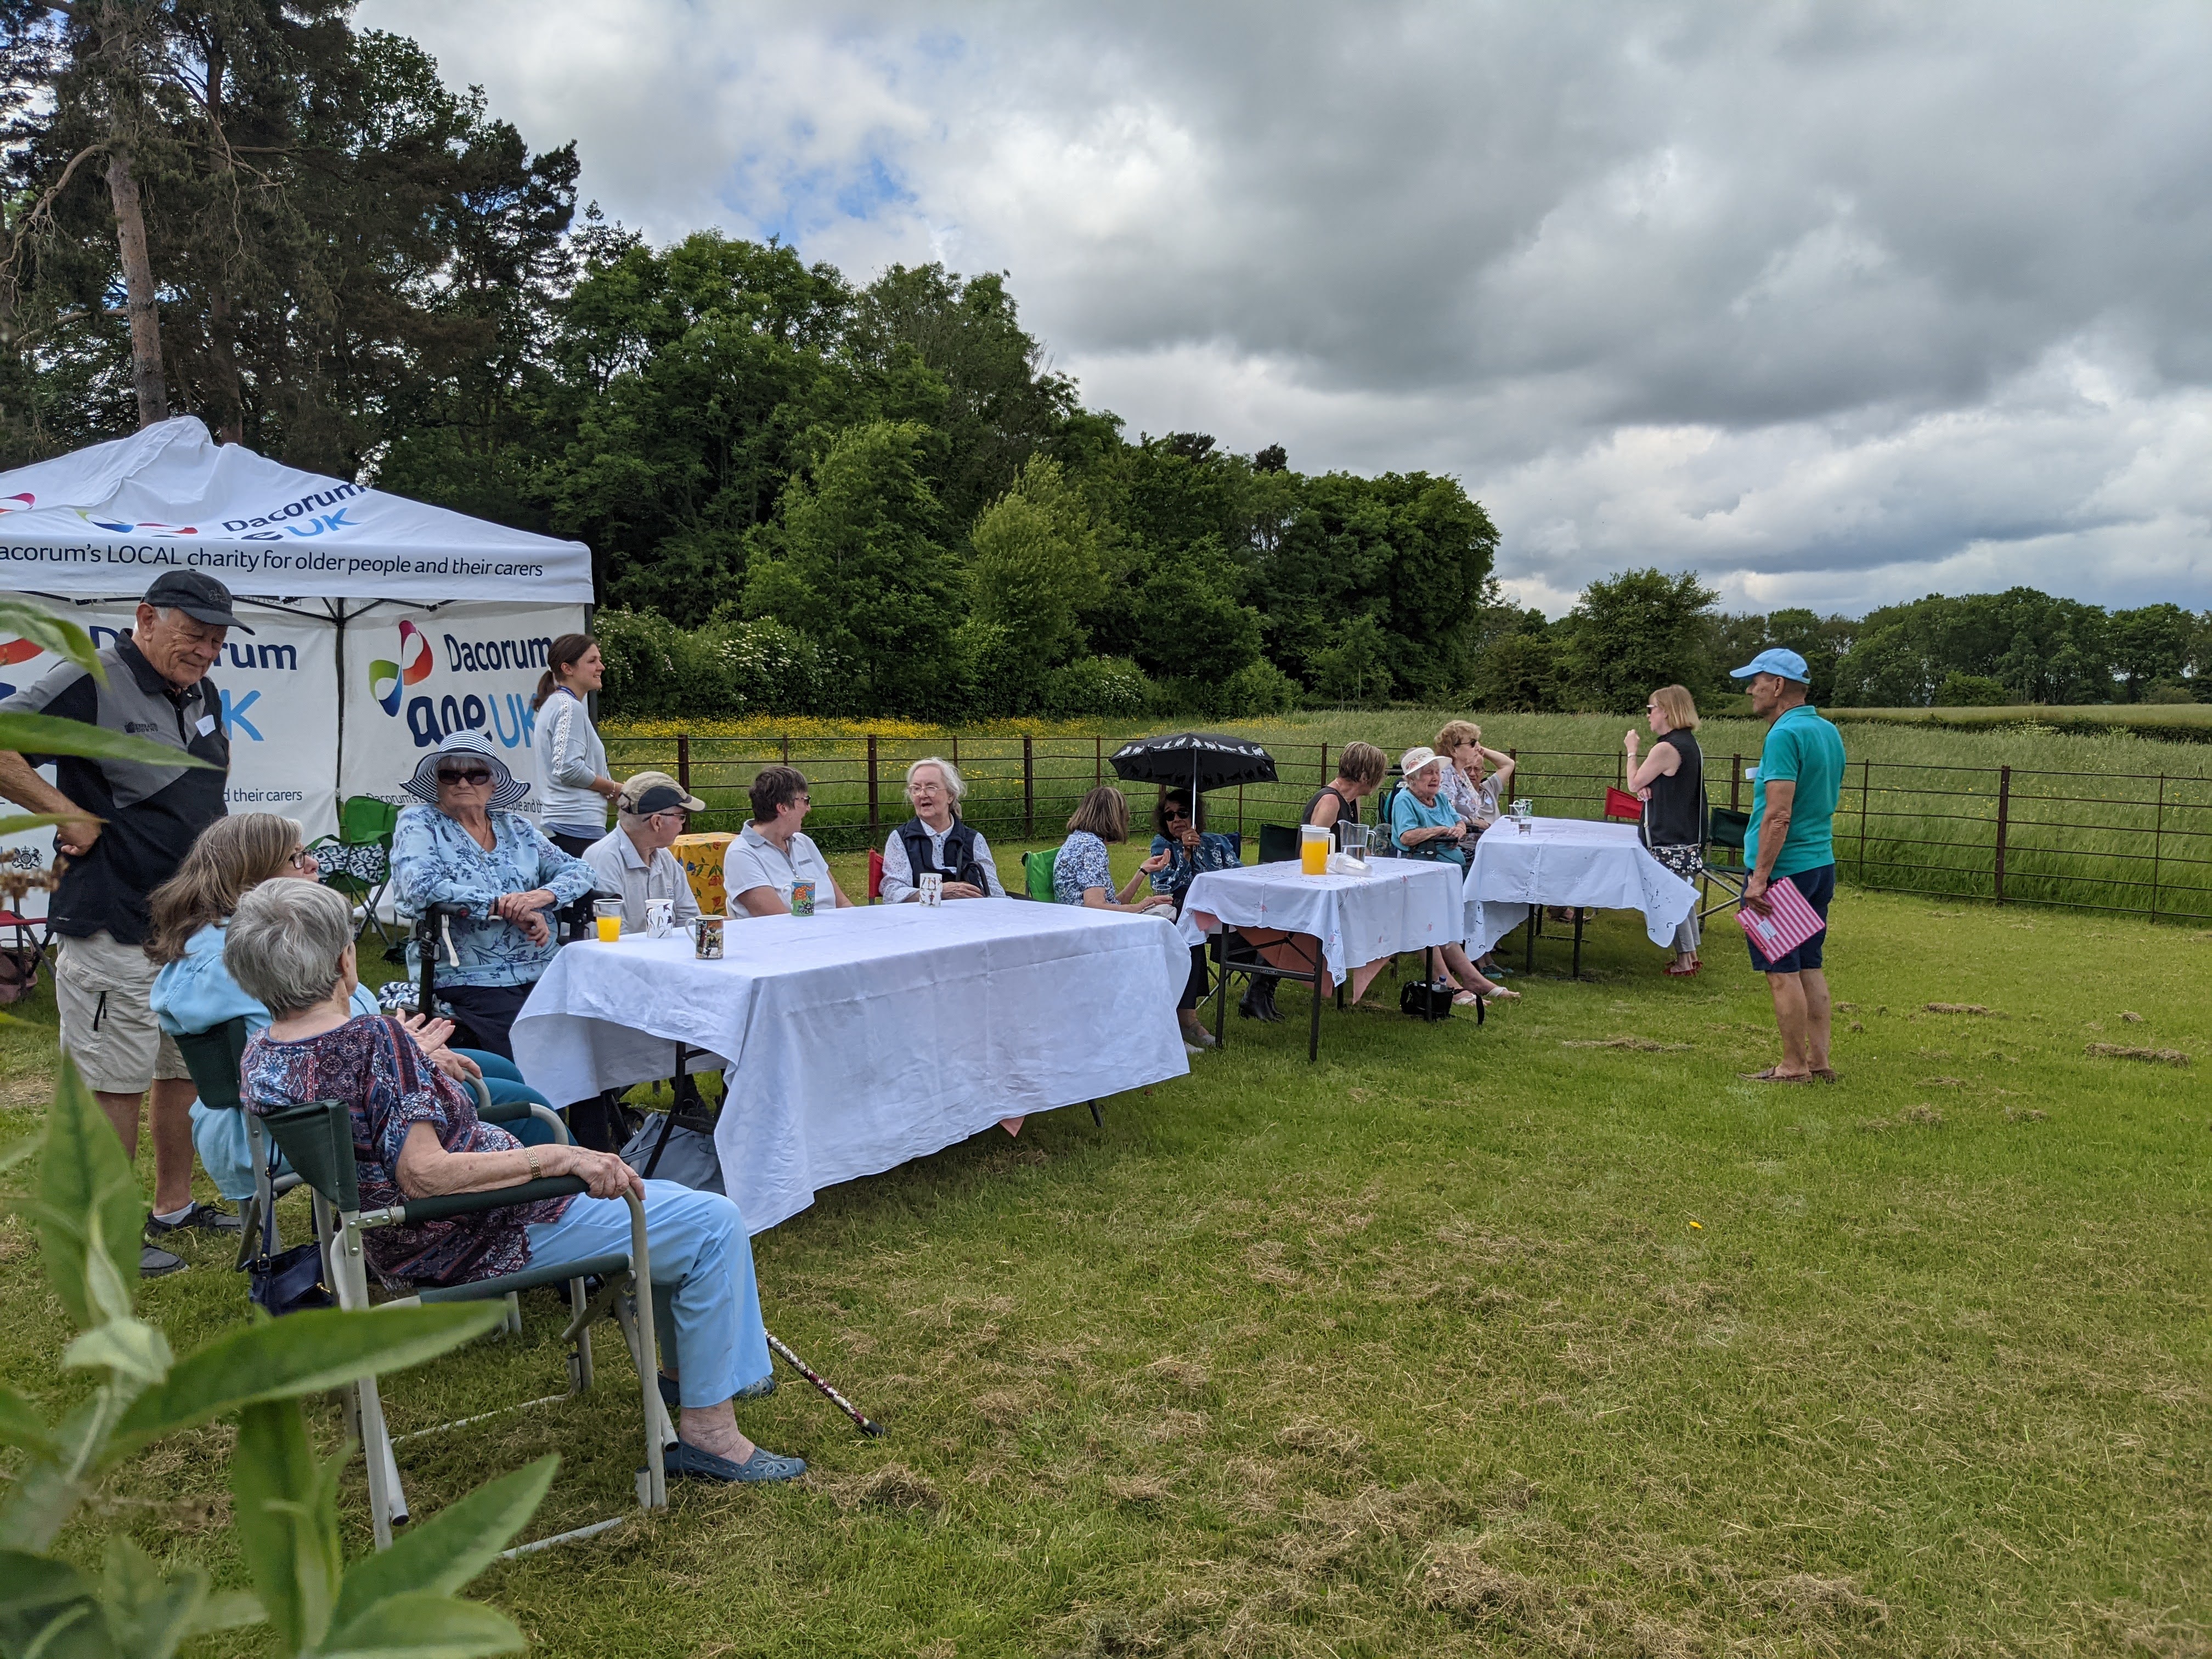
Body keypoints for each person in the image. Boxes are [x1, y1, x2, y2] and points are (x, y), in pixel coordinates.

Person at [229, 880, 802, 1483]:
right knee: (711, 1222)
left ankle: (690, 1373)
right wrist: (555, 1159)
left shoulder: (265, 1054)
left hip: (392, 1239)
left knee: (674, 1210)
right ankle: (712, 1434)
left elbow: (360, 1110)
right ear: (345, 959)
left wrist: (415, 1064)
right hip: (485, 1227)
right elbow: (423, 1174)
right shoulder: (376, 1040)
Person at [0, 571, 248, 1274]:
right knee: (115, 1082)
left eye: (217, 639)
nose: (206, 650)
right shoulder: (91, 678)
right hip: (114, 919)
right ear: (144, 617)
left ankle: (173, 1204)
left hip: (192, 927)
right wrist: (64, 811)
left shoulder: (203, 694)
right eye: (194, 634)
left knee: (184, 1068)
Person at [145, 814, 560, 1203]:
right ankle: (562, 1213)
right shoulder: (248, 953)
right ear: (250, 874)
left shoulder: (228, 940)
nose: (313, 862)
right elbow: (309, 1052)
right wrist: (406, 1054)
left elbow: (315, 1036)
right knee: (522, 1102)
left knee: (496, 1068)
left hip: (310, 1098)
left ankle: (507, 1202)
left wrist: (401, 1045)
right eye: (296, 856)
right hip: (307, 1119)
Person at [388, 729, 597, 1060]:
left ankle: (596, 1114)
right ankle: (528, 1110)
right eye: (450, 774)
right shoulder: (420, 823)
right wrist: (502, 905)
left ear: (493, 782)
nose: (462, 782)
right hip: (467, 974)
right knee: (535, 1049)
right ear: (437, 782)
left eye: (476, 773)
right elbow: (421, 886)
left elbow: (582, 871)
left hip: (541, 964)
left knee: (593, 1033)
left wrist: (539, 898)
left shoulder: (517, 828)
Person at [1731, 648, 1847, 1083]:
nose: (1750, 689)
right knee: (1809, 965)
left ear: (1777, 686)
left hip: (1785, 871)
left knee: (1782, 972)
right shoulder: (1827, 730)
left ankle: (1793, 1066)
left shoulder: (1783, 735)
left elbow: (1778, 815)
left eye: (1755, 680)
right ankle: (1819, 1061)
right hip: (1820, 864)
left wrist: (1759, 879)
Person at [1387, 748, 1517, 1004]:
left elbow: (1458, 820)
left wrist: (1457, 828)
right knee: (1428, 924)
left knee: (1443, 925)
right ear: (1412, 779)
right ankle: (1449, 984)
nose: (1435, 778)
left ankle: (1471, 979)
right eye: (1428, 773)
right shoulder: (1405, 799)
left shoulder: (1440, 799)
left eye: (1437, 772)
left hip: (1445, 873)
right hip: (1418, 873)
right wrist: (1439, 831)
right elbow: (1405, 836)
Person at [1625, 685, 1706, 976]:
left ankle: (1685, 960)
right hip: (1686, 833)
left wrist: (1632, 752)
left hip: (1669, 836)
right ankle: (1692, 954)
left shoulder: (1666, 748)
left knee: (1672, 896)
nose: (1648, 716)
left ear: (1667, 711)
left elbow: (1633, 783)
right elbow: (1658, 784)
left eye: (1651, 709)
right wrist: (1651, 787)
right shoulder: (1689, 743)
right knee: (1683, 893)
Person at [1148, 788, 1238, 1049]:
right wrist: (1186, 856)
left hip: (1221, 912)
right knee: (1191, 936)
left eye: (1183, 813)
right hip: (1179, 909)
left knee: (1262, 927)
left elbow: (1240, 877)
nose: (1176, 820)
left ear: (1195, 815)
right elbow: (1162, 886)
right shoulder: (1162, 845)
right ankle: (1188, 1020)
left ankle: (1258, 995)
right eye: (1169, 816)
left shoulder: (1217, 843)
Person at [583, 771, 704, 933]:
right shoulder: (604, 858)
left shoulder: (664, 856)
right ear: (657, 822)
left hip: (664, 954)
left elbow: (689, 920)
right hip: (625, 957)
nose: (683, 824)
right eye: (682, 816)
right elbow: (613, 938)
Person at [725, 765, 855, 915]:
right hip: (793, 936)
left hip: (834, 932)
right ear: (783, 808)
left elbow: (843, 903)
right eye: (806, 800)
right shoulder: (742, 854)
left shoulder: (803, 843)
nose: (808, 808)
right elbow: (779, 921)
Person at [532, 634, 619, 857]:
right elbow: (568, 768)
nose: (601, 666)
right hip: (577, 829)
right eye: (592, 661)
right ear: (567, 669)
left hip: (568, 827)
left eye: (599, 659)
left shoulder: (555, 704)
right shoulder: (570, 707)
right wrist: (614, 789)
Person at [880, 757, 1005, 901]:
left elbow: (995, 893)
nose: (922, 794)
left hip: (969, 920)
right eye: (916, 788)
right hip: (920, 921)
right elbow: (892, 893)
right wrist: (938, 892)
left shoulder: (973, 839)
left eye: (931, 788)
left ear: (950, 795)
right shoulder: (901, 839)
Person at [1053, 786, 1177, 915]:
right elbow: (1095, 907)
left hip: (1079, 920)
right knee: (1167, 912)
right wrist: (1142, 906)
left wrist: (1143, 871)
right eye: (1124, 816)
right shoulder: (1092, 847)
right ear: (1113, 817)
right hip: (1090, 927)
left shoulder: (1077, 840)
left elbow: (1113, 905)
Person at [1301, 741, 1387, 848]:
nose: (1381, 780)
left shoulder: (1354, 799)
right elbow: (1308, 852)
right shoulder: (1330, 801)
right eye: (1379, 775)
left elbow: (1356, 844)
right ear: (1364, 777)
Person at [1437, 721, 1515, 837]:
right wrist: (1474, 822)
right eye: (1472, 743)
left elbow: (1509, 764)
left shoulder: (1461, 773)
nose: (1477, 747)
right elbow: (1445, 812)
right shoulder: (1447, 774)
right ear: (1454, 750)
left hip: (1476, 839)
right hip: (1460, 842)